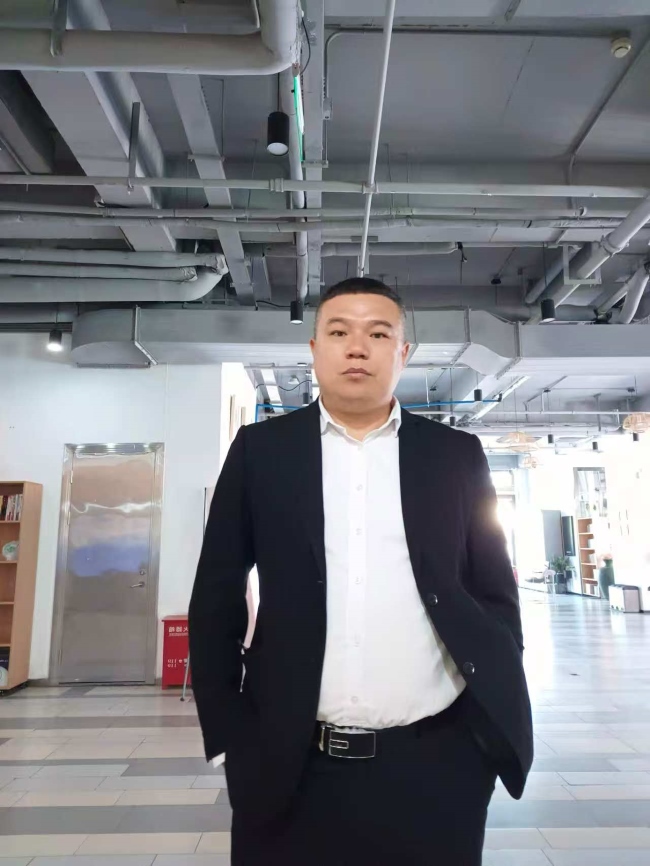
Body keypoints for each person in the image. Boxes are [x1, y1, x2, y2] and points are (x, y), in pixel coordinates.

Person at [189, 277, 533, 866]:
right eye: (339, 332)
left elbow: (495, 595)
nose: (357, 348)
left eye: (378, 334)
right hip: (288, 766)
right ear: (315, 348)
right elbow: (216, 594)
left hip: (437, 768)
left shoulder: (455, 456)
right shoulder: (261, 451)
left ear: (403, 353)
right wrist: (228, 737)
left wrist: (480, 736)